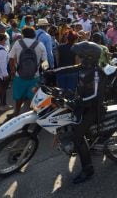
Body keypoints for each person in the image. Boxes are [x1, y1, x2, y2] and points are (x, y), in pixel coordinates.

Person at [45, 41, 106, 184]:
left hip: (92, 108)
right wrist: (52, 72)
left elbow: (95, 95)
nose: (78, 58)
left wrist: (77, 101)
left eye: (81, 56)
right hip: (81, 104)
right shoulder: (84, 66)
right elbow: (69, 68)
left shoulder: (97, 72)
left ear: (89, 57)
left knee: (77, 137)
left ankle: (88, 169)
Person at [8, 27, 48, 117]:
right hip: (34, 76)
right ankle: (32, 115)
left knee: (18, 97)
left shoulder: (18, 43)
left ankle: (16, 113)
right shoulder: (40, 45)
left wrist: (12, 71)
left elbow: (11, 58)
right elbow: (45, 62)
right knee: (33, 97)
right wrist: (43, 72)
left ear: (23, 34)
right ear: (34, 34)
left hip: (19, 75)